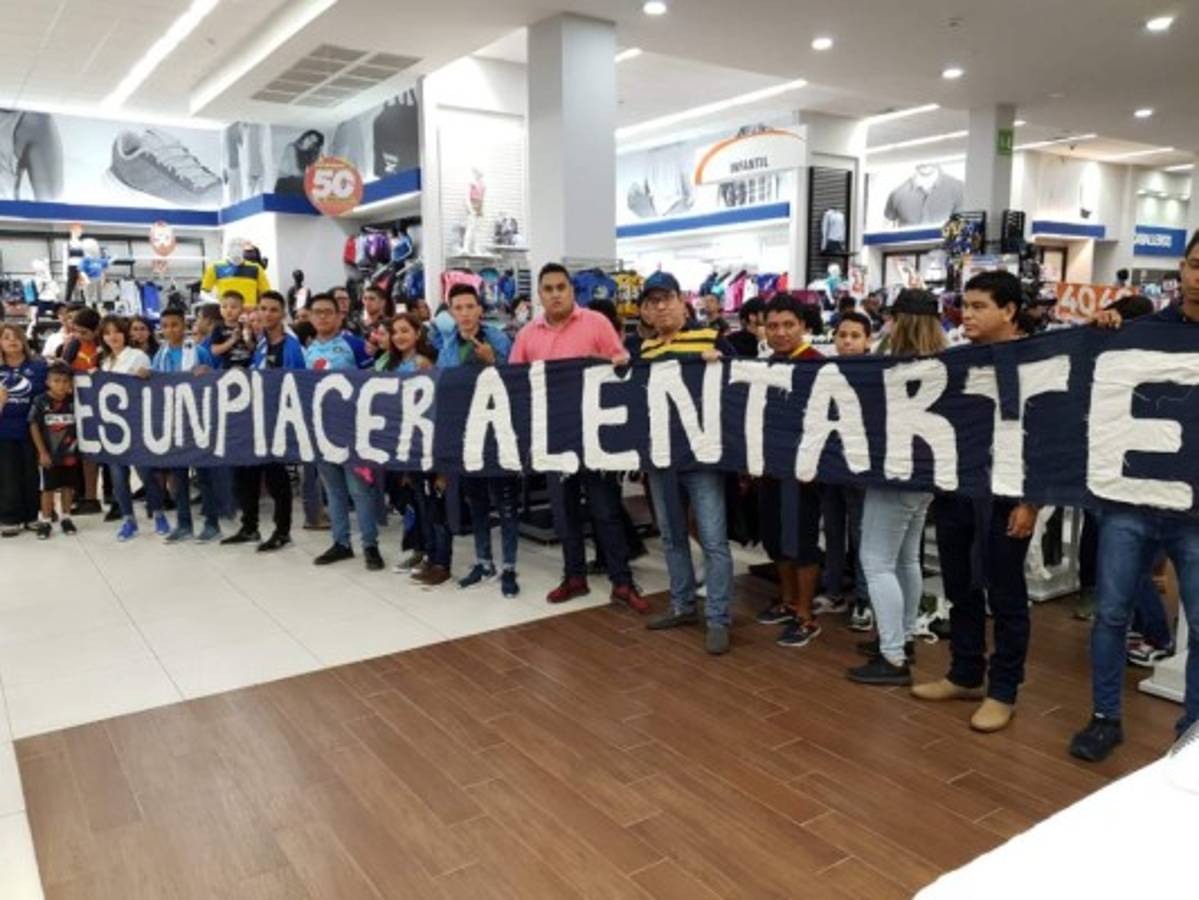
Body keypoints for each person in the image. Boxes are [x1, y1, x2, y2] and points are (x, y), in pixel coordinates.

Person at [1070, 230, 1199, 762]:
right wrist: (1096, 332)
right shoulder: (1138, 331)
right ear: (1182, 269)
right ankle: (1105, 717)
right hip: (1131, 501)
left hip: (1194, 512)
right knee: (1112, 614)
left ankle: (1192, 730)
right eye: (1196, 264)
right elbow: (1080, 377)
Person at [910, 272, 1039, 733]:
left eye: (980, 305)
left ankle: (1004, 689)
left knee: (1005, 593)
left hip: (1007, 494)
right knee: (959, 583)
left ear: (1009, 310)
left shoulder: (1036, 361)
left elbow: (1046, 436)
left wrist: (1033, 500)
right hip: (958, 489)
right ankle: (965, 672)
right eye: (965, 305)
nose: (967, 313)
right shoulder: (957, 361)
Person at [508, 263, 649, 613]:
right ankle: (574, 576)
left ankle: (622, 581)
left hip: (595, 435)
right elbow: (515, 381)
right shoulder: (527, 335)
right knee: (564, 510)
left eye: (561, 287)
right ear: (539, 295)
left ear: (572, 290)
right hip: (554, 438)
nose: (555, 294)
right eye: (548, 289)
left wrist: (618, 359)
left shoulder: (596, 323)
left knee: (605, 510)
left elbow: (620, 361)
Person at [847, 292, 946, 685]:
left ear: (899, 320)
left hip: (894, 471)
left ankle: (892, 656)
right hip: (926, 472)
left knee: (876, 561)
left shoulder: (891, 367)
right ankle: (902, 638)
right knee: (906, 559)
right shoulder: (945, 362)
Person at [638, 272, 736, 655]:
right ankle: (681, 605)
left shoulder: (712, 338)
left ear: (682, 301)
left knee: (713, 539)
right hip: (662, 458)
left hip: (703, 457)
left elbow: (738, 387)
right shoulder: (643, 351)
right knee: (671, 536)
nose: (660, 307)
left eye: (666, 299)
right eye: (652, 301)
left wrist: (722, 362)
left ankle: (718, 617)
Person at [434, 284, 521, 596]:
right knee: (477, 501)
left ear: (480, 309)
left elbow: (516, 380)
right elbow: (444, 388)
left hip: (499, 433)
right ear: (451, 312)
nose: (465, 313)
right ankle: (484, 562)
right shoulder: (448, 346)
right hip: (467, 434)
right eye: (458, 308)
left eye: (470, 307)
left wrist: (493, 360)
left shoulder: (498, 337)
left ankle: (509, 567)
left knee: (506, 503)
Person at [752, 294, 827, 648]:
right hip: (770, 467)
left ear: (803, 327)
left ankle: (806, 614)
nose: (780, 333)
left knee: (802, 540)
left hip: (803, 471)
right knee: (775, 536)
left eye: (788, 325)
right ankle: (788, 600)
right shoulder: (763, 367)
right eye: (773, 326)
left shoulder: (818, 365)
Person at [305, 293, 384, 571]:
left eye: (329, 312)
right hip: (322, 431)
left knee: (359, 491)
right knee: (334, 491)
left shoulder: (354, 345)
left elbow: (375, 379)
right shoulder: (309, 349)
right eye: (318, 312)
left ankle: (370, 546)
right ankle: (341, 543)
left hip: (353, 431)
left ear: (340, 315)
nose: (323, 317)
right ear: (310, 316)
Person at [222, 291, 304, 553]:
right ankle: (250, 526)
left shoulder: (291, 346)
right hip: (255, 419)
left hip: (278, 421)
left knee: (276, 476)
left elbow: (298, 383)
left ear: (282, 314)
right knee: (248, 472)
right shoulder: (260, 343)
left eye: (273, 309)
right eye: (263, 308)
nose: (266, 314)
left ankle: (282, 531)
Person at [820, 310, 875, 633]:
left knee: (862, 534)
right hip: (830, 465)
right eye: (842, 335)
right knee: (833, 530)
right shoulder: (826, 371)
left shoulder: (874, 373)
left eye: (855, 336)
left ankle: (865, 599)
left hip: (859, 468)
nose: (848, 341)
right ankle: (834, 590)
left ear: (868, 340)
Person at [152, 306, 219, 544]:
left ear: (184, 326)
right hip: (173, 422)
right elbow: (155, 383)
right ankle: (183, 523)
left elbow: (216, 378)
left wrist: (208, 372)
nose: (170, 330)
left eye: (175, 325)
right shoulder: (160, 355)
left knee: (204, 475)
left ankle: (212, 523)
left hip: (198, 420)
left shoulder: (199, 351)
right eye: (165, 325)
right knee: (178, 476)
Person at [97, 315, 166, 541]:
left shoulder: (138, 356)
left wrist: (146, 376)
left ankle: (158, 515)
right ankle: (129, 520)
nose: (112, 336)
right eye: (107, 333)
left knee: (146, 473)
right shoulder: (105, 362)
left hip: (136, 425)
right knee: (118, 476)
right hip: (113, 428)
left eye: (116, 331)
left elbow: (150, 385)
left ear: (125, 333)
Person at [0, 325, 47, 536]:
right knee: (8, 474)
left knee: (31, 474)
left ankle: (31, 515)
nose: (12, 341)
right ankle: (10, 517)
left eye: (17, 337)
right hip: (4, 432)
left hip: (31, 431)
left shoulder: (38, 367)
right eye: (6, 337)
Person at [27, 361, 78, 539]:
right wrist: (42, 452)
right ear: (48, 382)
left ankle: (66, 518)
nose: (61, 385)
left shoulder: (74, 401)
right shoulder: (40, 400)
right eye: (56, 381)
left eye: (65, 381)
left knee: (67, 487)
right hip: (49, 455)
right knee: (47, 489)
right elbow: (33, 425)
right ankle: (46, 521)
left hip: (70, 454)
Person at [62, 306, 102, 514]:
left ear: (96, 331)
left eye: (84, 332)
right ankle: (85, 495)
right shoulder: (73, 345)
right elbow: (63, 369)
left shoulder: (103, 346)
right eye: (76, 330)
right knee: (79, 453)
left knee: (96, 454)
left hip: (101, 407)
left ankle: (98, 495)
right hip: (76, 405)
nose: (79, 335)